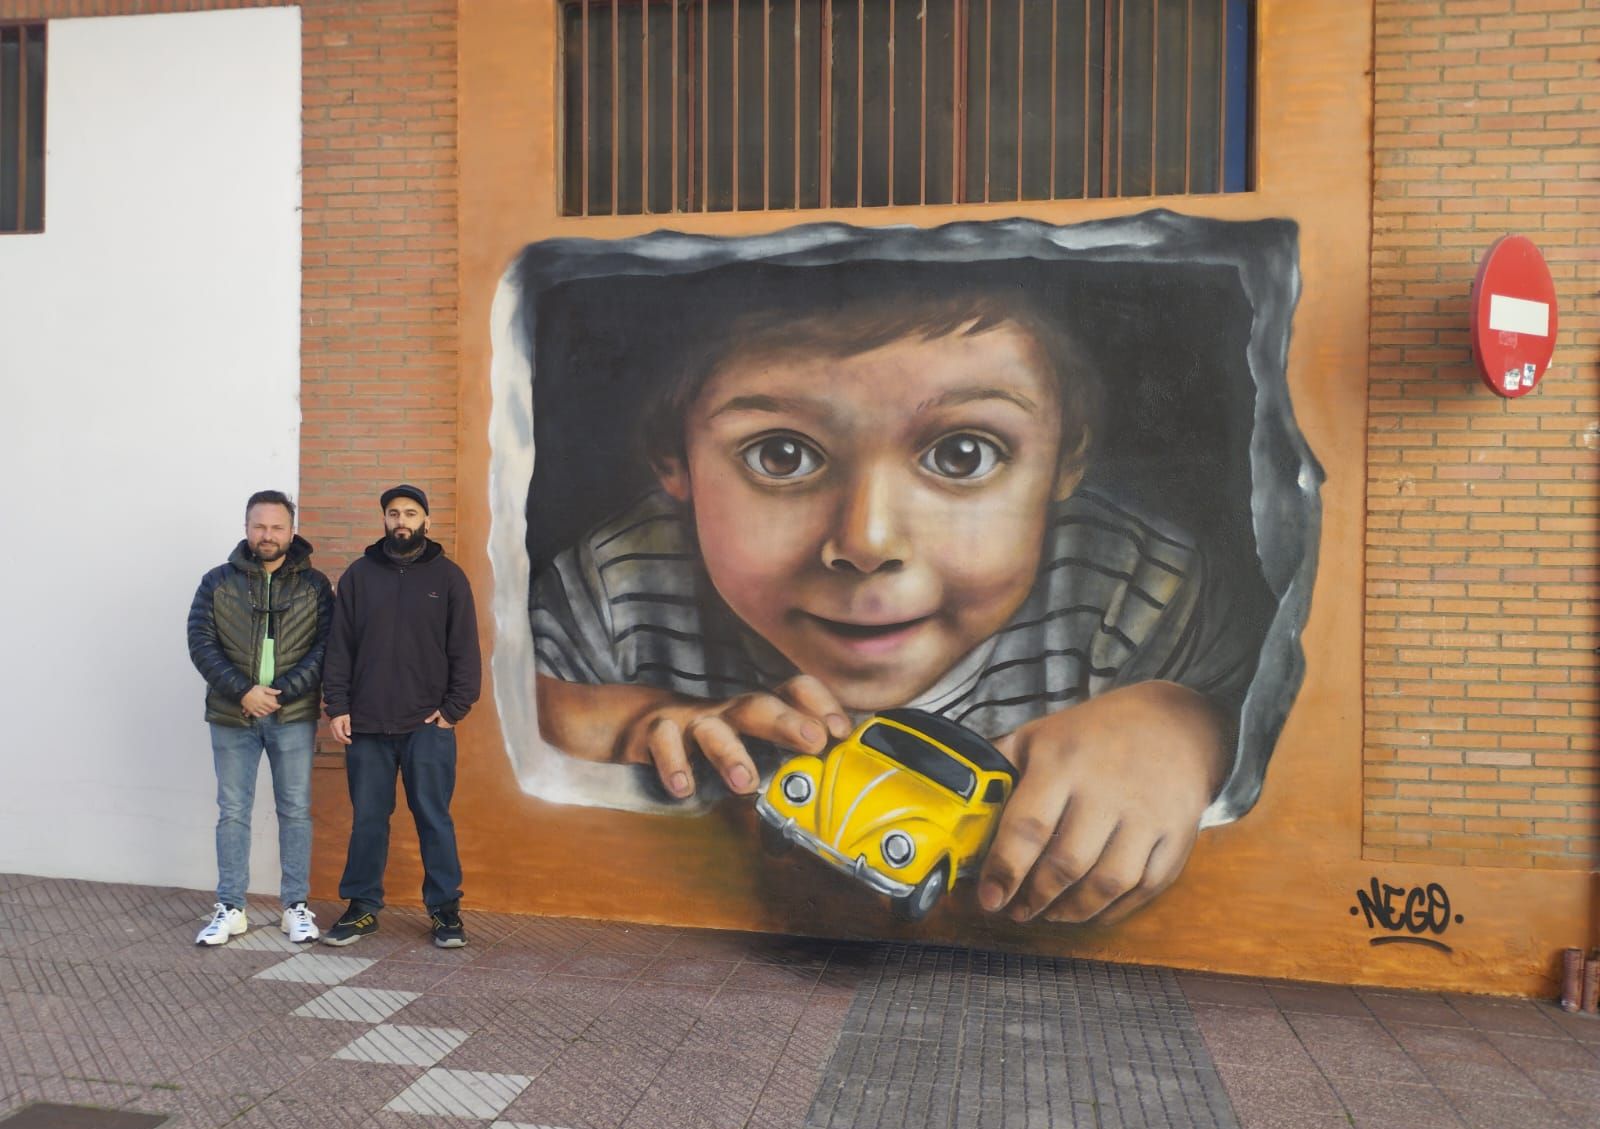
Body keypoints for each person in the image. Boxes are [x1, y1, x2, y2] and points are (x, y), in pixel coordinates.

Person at [532, 283, 1255, 926]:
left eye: (963, 454)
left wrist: (1185, 725)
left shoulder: (1136, 588)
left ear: (1067, 457)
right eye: (780, 455)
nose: (867, 541)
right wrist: (637, 721)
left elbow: (1263, 704)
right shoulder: (623, 580)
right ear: (676, 462)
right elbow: (498, 703)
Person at [321, 484, 481, 948]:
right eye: (393, 513)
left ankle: (446, 911)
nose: (402, 521)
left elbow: (466, 652)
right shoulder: (358, 577)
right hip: (366, 725)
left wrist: (454, 711)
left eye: (411, 513)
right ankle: (362, 907)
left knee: (433, 817)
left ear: (427, 521)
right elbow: (339, 649)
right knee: (369, 819)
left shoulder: (449, 579)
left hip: (427, 726)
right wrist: (338, 707)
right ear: (385, 520)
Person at [188, 490, 333, 946]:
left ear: (291, 530)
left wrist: (280, 693)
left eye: (275, 527)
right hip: (233, 715)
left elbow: (326, 647)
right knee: (232, 811)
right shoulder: (217, 582)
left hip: (292, 714)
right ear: (246, 528)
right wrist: (243, 692)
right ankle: (231, 907)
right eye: (259, 526)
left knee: (295, 811)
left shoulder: (315, 586)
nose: (267, 535)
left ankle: (296, 907)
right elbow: (201, 642)